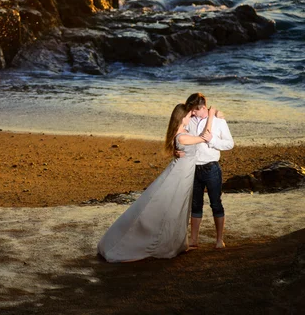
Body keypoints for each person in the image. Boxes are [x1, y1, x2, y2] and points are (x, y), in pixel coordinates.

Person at [97, 103, 215, 263]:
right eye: (188, 115)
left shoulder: (183, 133)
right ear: (181, 118)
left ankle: (176, 243)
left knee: (178, 209)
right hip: (179, 175)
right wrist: (212, 114)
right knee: (171, 208)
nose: (191, 117)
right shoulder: (182, 137)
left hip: (184, 174)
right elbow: (204, 136)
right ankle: (161, 244)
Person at [184, 93, 234, 249]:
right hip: (193, 167)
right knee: (195, 204)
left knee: (216, 203)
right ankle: (194, 240)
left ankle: (219, 240)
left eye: (194, 110)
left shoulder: (218, 122)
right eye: (191, 110)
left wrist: (212, 140)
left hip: (211, 167)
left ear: (203, 108)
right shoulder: (190, 120)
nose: (193, 113)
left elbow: (229, 144)